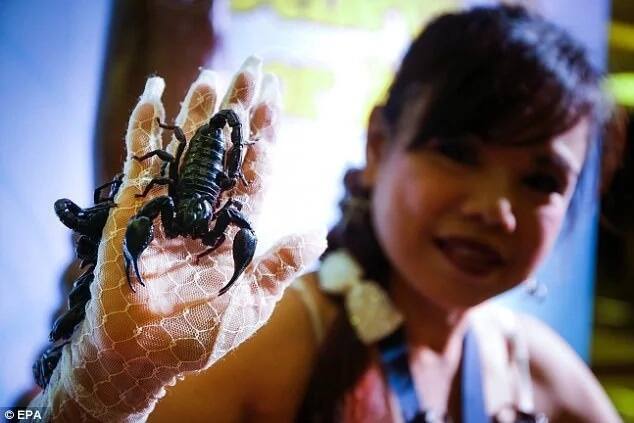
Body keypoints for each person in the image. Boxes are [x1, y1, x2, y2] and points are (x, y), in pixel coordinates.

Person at [30, 5, 623, 422]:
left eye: (541, 180)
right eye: (456, 153)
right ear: (377, 148)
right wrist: (95, 396)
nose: (497, 210)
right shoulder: (268, 347)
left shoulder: (532, 366)